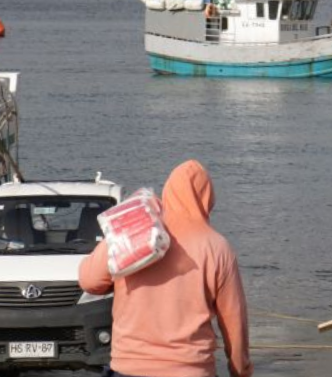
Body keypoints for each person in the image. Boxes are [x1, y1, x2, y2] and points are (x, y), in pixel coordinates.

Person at [78, 160, 252, 377]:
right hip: (191, 370)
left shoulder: (136, 231)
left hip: (129, 368)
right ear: (207, 200)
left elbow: (89, 281)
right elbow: (234, 322)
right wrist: (240, 370)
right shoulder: (217, 247)